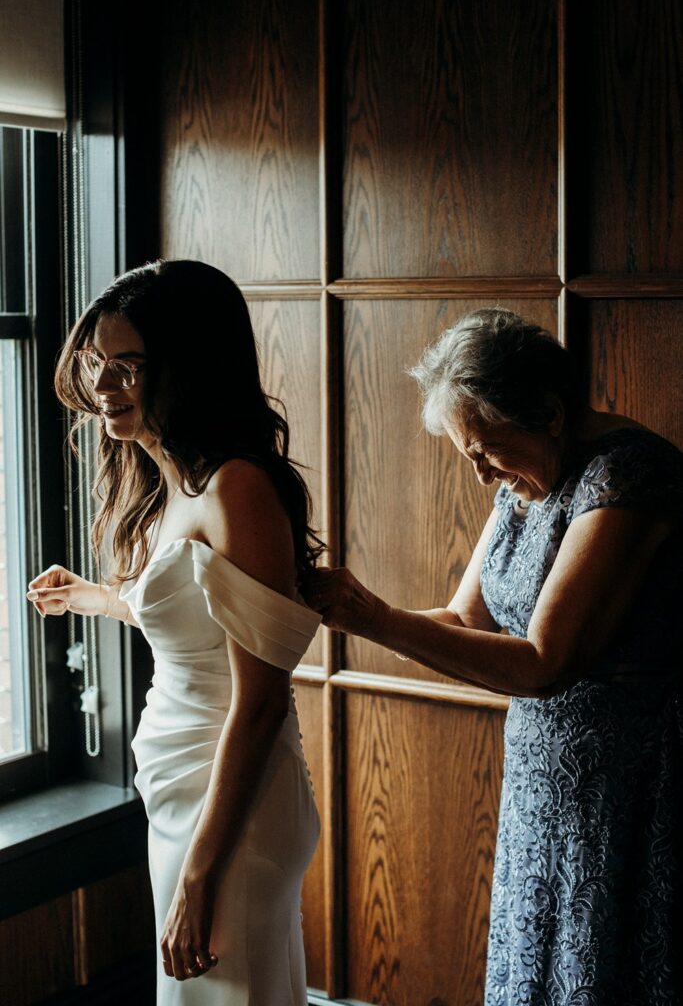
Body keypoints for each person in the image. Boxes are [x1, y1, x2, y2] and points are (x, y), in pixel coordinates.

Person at [305, 308, 682, 1005]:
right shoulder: (526, 473)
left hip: (630, 781)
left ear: (547, 413)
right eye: (465, 454)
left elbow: (543, 661)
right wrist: (336, 616)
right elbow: (461, 618)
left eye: (484, 450)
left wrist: (374, 618)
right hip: (543, 781)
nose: (478, 475)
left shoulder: (628, 478)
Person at [26, 260, 322, 1005]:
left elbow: (257, 700)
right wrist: (96, 597)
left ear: (188, 368)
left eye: (128, 367)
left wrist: (200, 874)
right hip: (182, 787)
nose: (102, 387)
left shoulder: (237, 488)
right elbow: (196, 618)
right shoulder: (173, 481)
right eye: (98, 363)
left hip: (235, 808)